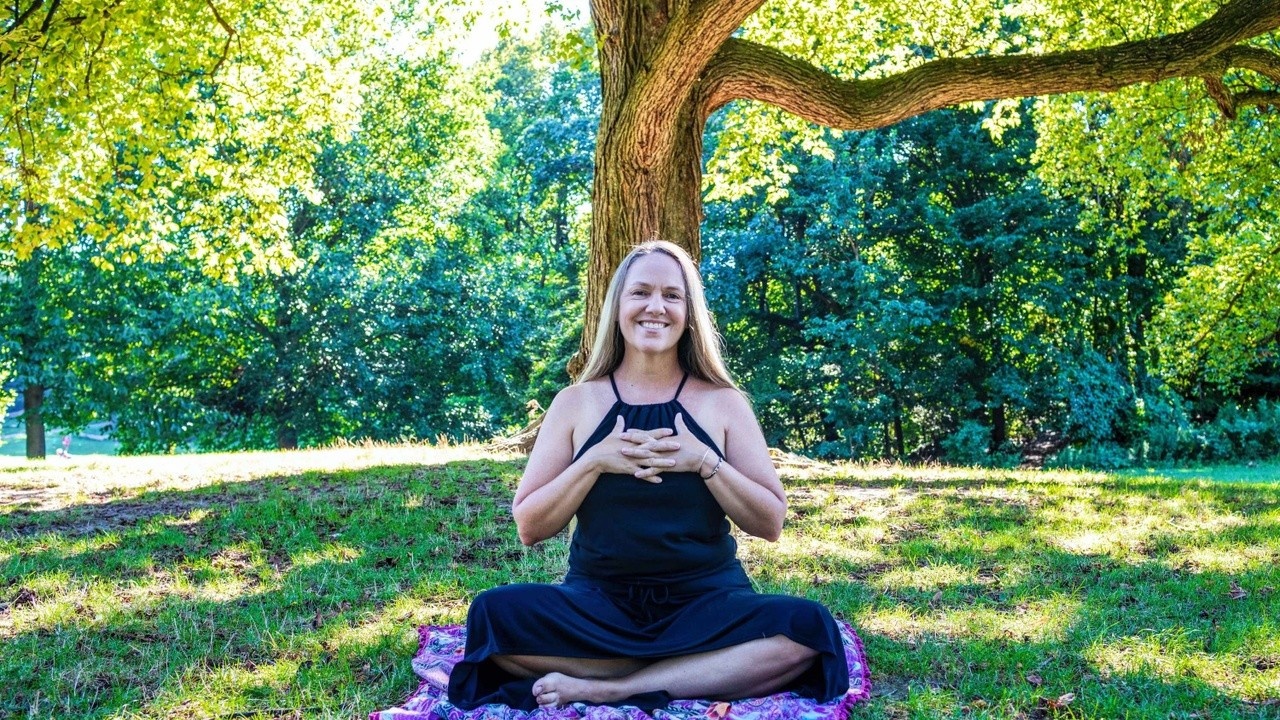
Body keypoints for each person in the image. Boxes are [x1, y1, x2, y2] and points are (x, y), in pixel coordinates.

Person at [447, 241, 849, 712]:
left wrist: (706, 462)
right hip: (598, 604)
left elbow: (770, 522)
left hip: (706, 602)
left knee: (810, 629)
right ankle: (691, 671)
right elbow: (530, 526)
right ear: (617, 306)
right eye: (640, 292)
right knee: (492, 617)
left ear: (689, 311)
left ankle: (611, 687)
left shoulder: (723, 403)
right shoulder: (576, 403)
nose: (655, 307)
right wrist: (594, 460)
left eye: (671, 296)